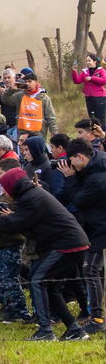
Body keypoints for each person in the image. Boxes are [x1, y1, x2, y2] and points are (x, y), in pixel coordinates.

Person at [0, 167, 91, 341]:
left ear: (12, 186)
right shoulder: (32, 195)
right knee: (49, 285)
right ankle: (74, 330)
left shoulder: (31, 198)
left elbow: (14, 226)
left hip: (66, 244)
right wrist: (8, 217)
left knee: (38, 279)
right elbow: (23, 221)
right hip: (72, 242)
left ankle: (46, 331)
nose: (4, 192)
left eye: (5, 188)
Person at [56, 140, 106, 334]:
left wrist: (70, 178)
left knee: (91, 270)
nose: (69, 165)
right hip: (95, 227)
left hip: (100, 229)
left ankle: (97, 318)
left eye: (71, 160)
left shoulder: (97, 179)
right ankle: (97, 315)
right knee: (95, 271)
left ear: (81, 157)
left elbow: (78, 200)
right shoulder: (95, 166)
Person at [2, 71, 57, 138]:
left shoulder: (44, 98)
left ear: (36, 82)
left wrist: (54, 133)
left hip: (38, 134)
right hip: (22, 134)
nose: (27, 83)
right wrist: (11, 89)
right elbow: (6, 100)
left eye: (30, 81)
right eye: (26, 82)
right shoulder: (20, 96)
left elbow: (50, 117)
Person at [70, 52, 106, 125]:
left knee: (100, 117)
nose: (87, 62)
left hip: (99, 97)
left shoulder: (101, 70)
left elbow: (104, 80)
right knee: (92, 117)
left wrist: (92, 78)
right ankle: (94, 133)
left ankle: (103, 133)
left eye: (89, 61)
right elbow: (77, 81)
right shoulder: (85, 71)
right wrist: (74, 71)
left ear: (95, 61)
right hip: (89, 97)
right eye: (86, 61)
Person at [0, 67, 19, 132]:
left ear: (14, 78)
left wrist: (6, 93)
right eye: (5, 78)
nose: (7, 80)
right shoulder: (1, 89)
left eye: (9, 78)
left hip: (17, 122)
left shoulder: (18, 88)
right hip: (6, 123)